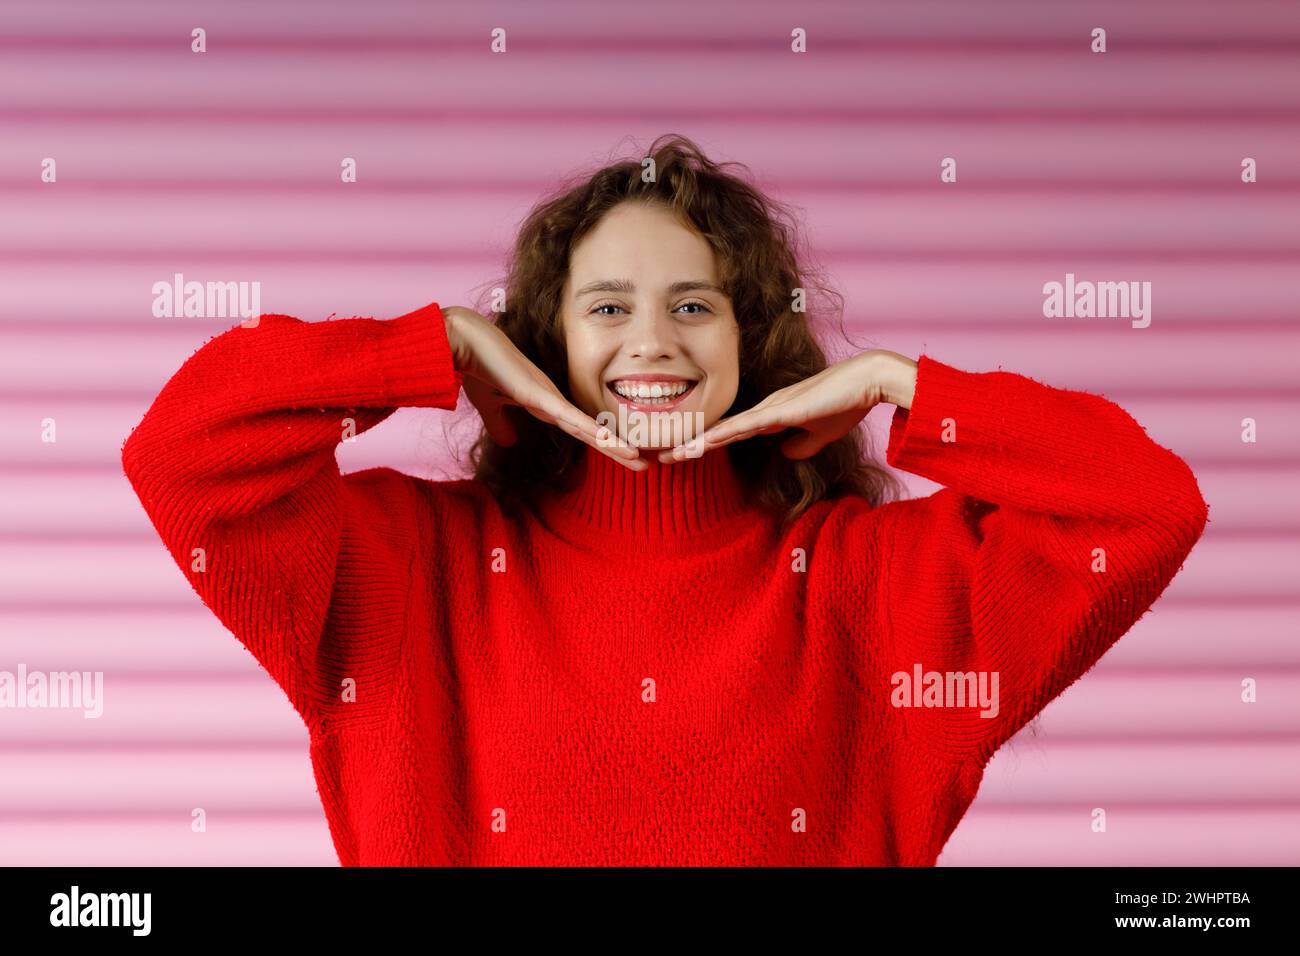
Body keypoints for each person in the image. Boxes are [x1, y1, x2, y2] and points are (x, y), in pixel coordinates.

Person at [120, 134, 1208, 865]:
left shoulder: (872, 586)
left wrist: (899, 383)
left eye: (695, 305)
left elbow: (1144, 506)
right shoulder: (411, 565)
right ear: (542, 340)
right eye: (606, 306)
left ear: (752, 340)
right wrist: (428, 347)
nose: (651, 341)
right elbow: (181, 454)